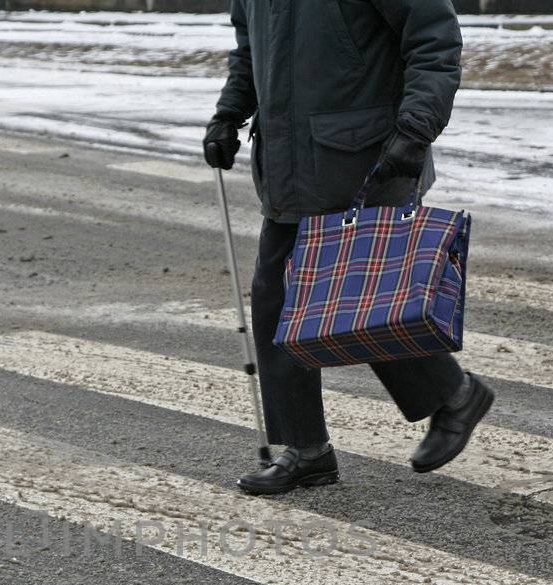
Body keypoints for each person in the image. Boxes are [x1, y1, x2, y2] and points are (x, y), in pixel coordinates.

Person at [204, 0, 494, 495]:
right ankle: (307, 450)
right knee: (277, 302)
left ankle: (455, 394)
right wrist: (230, 112)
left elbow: (434, 41)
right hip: (290, 164)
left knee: (362, 305)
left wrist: (415, 130)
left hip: (368, 157)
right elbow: (249, 49)